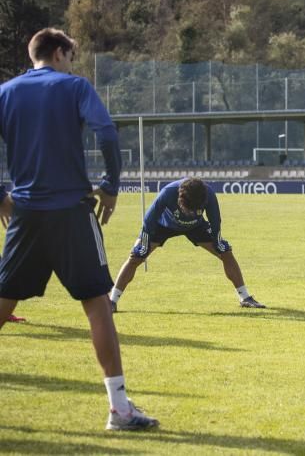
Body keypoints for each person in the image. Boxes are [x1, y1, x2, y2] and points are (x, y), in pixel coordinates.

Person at [0, 28, 158, 430]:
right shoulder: (74, 87)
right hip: (71, 211)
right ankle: (119, 410)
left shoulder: (6, 92)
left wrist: (1, 193)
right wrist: (110, 185)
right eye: (70, 56)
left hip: (26, 214)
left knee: (3, 303)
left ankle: (121, 410)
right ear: (58, 53)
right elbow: (107, 132)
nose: (72, 64)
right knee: (97, 305)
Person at [109, 177, 265, 311]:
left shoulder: (208, 194)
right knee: (135, 257)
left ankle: (245, 298)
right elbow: (148, 221)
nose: (190, 212)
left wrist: (218, 241)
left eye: (194, 210)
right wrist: (143, 245)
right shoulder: (168, 192)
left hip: (195, 226)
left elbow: (215, 221)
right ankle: (112, 301)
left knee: (226, 252)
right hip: (163, 225)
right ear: (180, 199)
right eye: (188, 209)